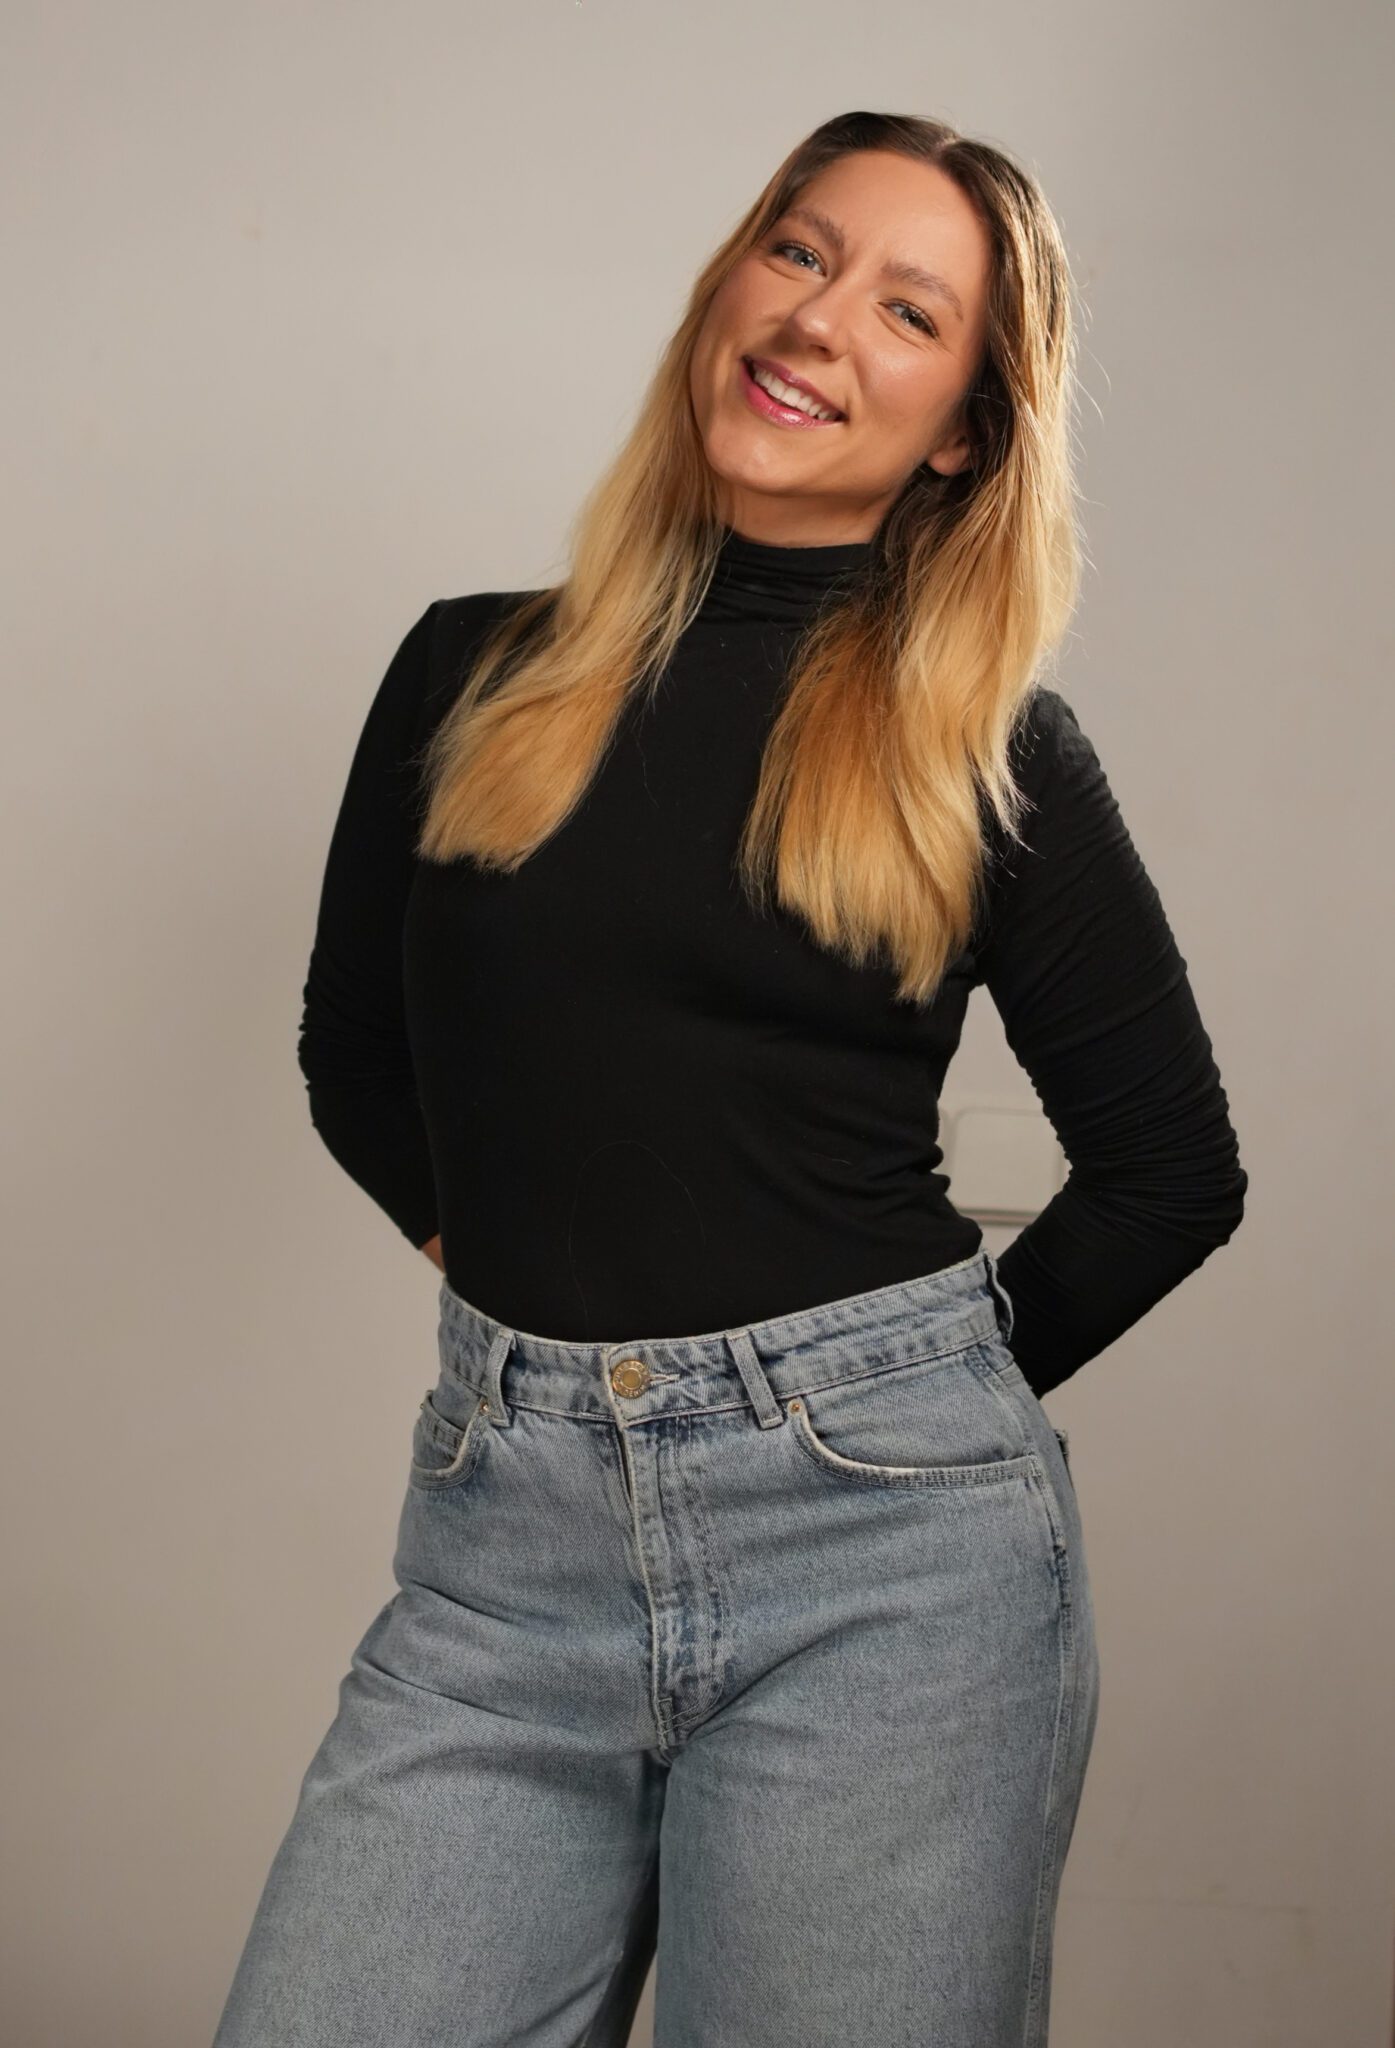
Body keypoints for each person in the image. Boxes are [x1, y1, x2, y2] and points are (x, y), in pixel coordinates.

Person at [212, 111, 1246, 2048]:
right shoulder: (467, 670)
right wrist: (536, 1319)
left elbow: (1170, 1172)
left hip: (887, 1578)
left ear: (963, 429)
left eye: (908, 310)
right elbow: (355, 1056)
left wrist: (879, 1408)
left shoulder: (989, 756)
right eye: (799, 251)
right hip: (503, 1561)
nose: (819, 321)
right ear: (727, 287)